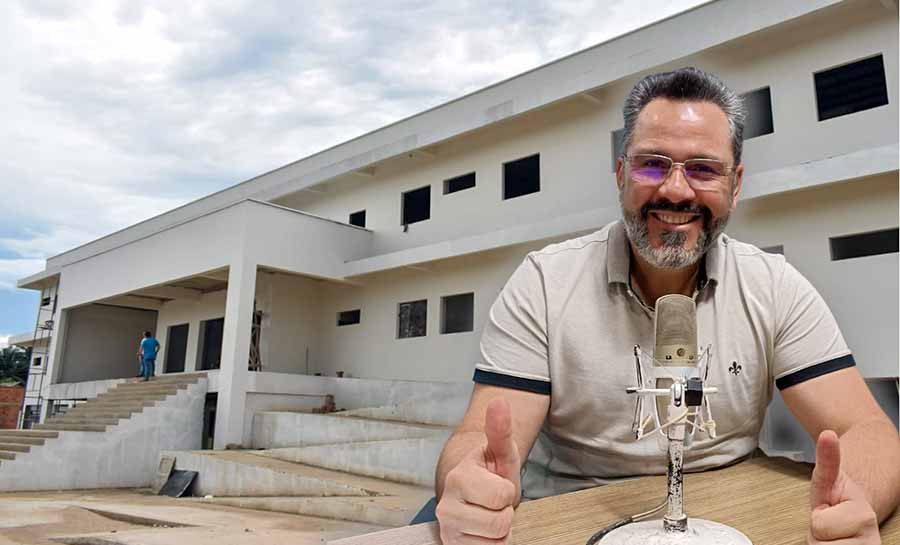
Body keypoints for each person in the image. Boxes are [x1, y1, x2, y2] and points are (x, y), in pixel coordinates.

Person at [433, 67, 900, 544]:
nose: (676, 190)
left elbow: (867, 430)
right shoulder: (544, 283)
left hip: (735, 511)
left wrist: (852, 501)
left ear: (735, 185)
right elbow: (479, 440)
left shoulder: (774, 287)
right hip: (572, 518)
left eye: (702, 169)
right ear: (620, 174)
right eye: (652, 164)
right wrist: (471, 482)